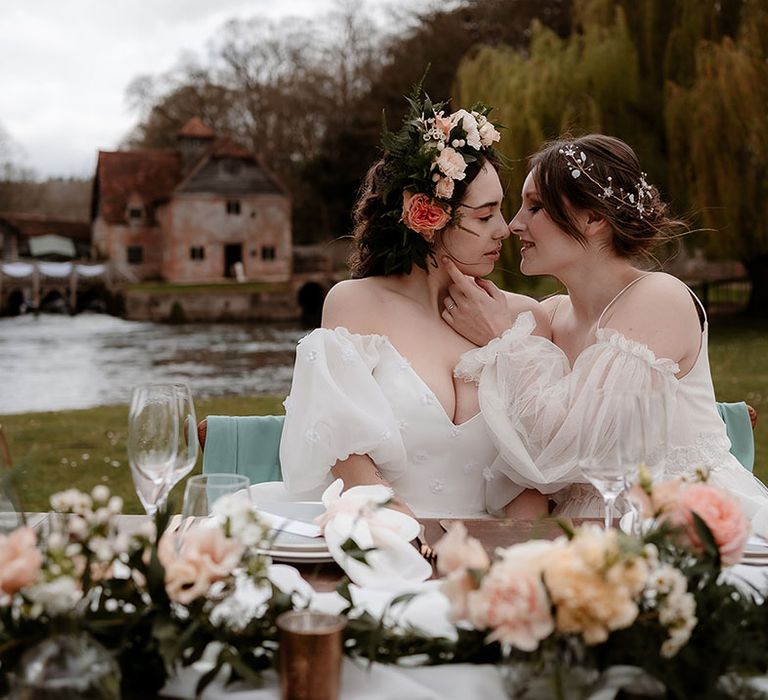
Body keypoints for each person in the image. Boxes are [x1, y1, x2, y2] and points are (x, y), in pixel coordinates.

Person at [444, 134, 768, 533]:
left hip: (679, 527)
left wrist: (502, 340)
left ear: (594, 218)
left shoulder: (659, 298)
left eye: (536, 207)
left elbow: (576, 447)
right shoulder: (547, 316)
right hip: (579, 532)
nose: (514, 225)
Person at [277, 93, 548, 519]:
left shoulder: (526, 317)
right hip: (387, 540)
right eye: (484, 216)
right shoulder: (355, 304)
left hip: (496, 560)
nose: (505, 230)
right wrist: (404, 539)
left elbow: (544, 464)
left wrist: (496, 563)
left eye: (503, 211)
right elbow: (343, 451)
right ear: (428, 217)